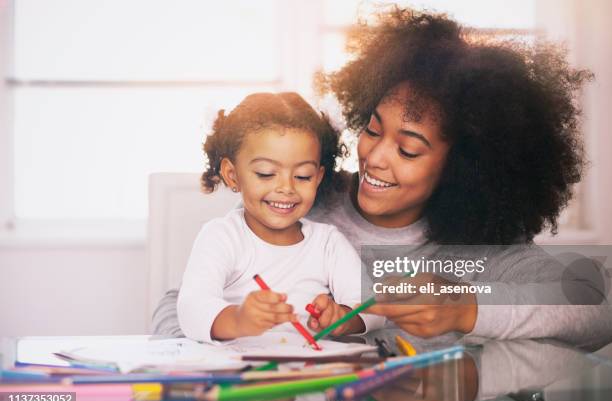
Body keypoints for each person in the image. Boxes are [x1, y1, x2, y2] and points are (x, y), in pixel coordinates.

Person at [155, 9, 612, 349]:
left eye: (409, 149)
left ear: (464, 165)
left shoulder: (477, 243)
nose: (375, 156)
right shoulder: (307, 198)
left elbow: (596, 307)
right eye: (373, 129)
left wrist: (468, 309)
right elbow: (179, 306)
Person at [177, 92, 382, 342]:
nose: (286, 188)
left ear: (318, 178)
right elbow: (192, 308)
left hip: (308, 374)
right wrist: (239, 320)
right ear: (232, 175)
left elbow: (373, 308)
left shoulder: (327, 243)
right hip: (238, 373)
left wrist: (342, 318)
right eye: (266, 174)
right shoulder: (221, 236)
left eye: (303, 176)